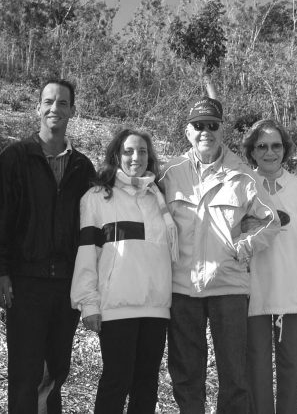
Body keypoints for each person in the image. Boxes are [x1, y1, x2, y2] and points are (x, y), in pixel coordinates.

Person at [159, 96, 280, 414]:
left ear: (221, 130)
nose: (205, 132)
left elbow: (271, 220)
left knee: (234, 377)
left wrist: (244, 247)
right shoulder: (170, 172)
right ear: (188, 131)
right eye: (199, 126)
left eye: (212, 126)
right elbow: (145, 203)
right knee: (186, 375)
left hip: (229, 288)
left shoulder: (242, 175)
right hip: (182, 288)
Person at [0, 79, 95, 413]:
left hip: (65, 285)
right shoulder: (14, 158)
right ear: (38, 108)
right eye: (48, 102)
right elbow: (0, 219)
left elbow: (89, 231)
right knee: (25, 372)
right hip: (24, 282)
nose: (55, 108)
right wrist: (0, 271)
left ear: (72, 111)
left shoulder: (83, 167)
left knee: (57, 371)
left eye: (63, 103)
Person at [71, 128, 176, 413]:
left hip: (156, 308)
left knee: (147, 385)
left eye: (142, 151)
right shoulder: (97, 197)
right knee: (116, 381)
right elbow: (86, 253)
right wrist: (88, 302)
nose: (136, 157)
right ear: (116, 155)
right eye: (129, 151)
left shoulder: (159, 197)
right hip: (117, 306)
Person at [242, 119, 297, 414]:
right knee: (256, 375)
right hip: (252, 296)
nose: (270, 152)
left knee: (292, 375)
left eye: (276, 145)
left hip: (293, 297)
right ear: (252, 151)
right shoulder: (240, 185)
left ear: (286, 149)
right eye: (262, 146)